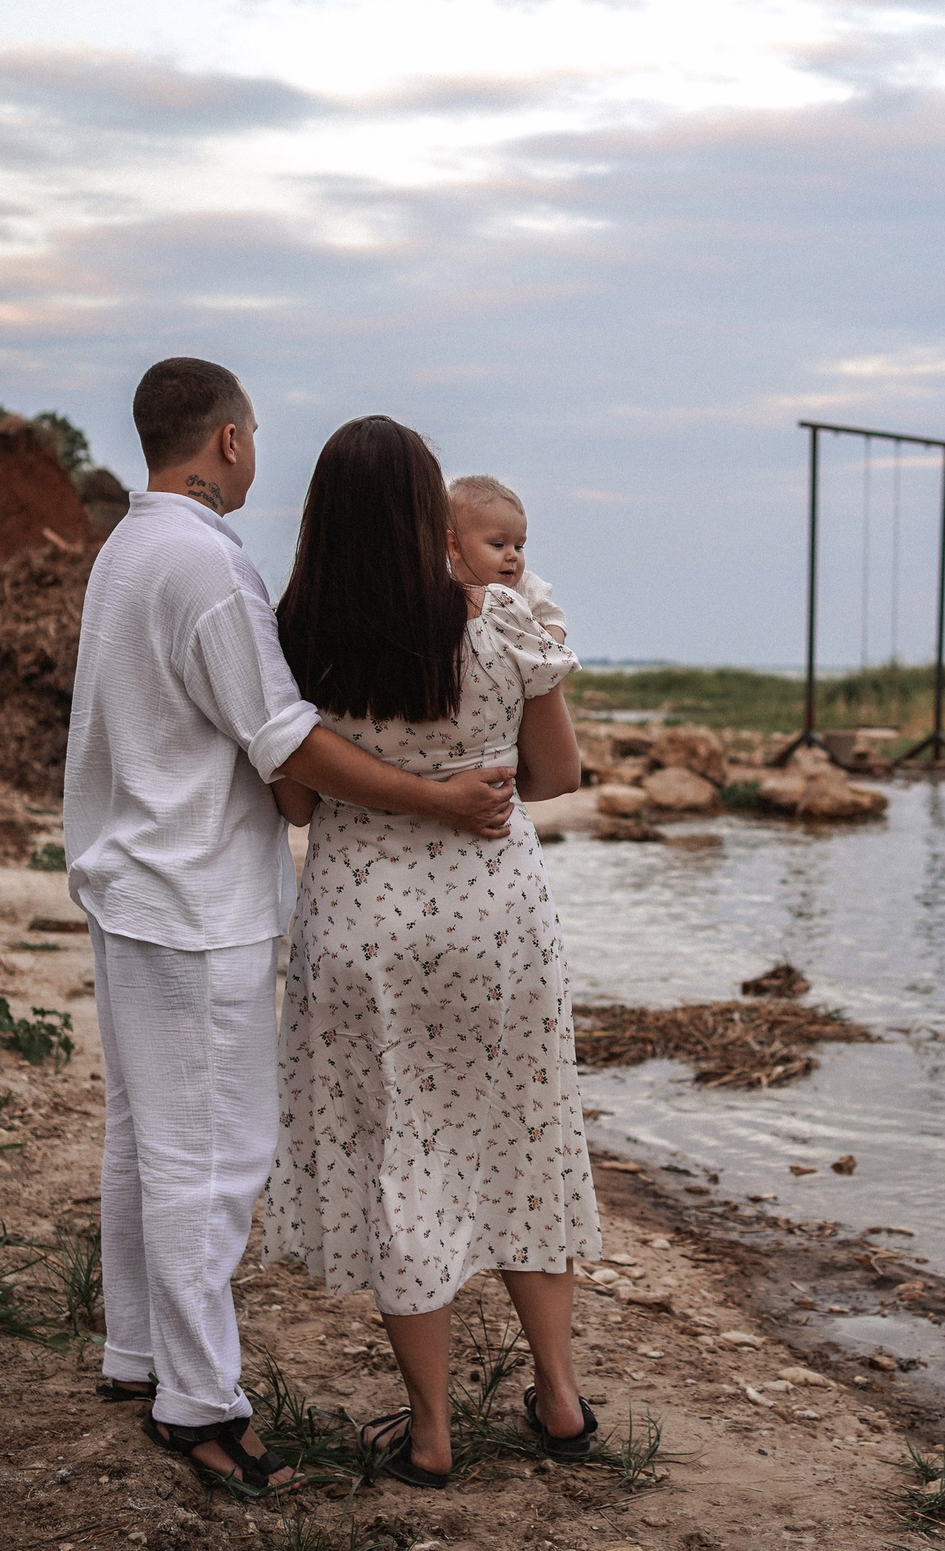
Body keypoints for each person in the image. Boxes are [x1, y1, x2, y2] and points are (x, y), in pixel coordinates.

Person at [64, 359, 521, 1498]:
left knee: (145, 1138)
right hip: (193, 899)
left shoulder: (128, 550)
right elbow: (286, 747)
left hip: (131, 883)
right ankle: (200, 1404)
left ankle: (139, 1355)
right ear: (225, 441)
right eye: (253, 431)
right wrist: (439, 798)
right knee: (212, 1160)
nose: (256, 449)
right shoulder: (209, 567)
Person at [264, 417, 599, 1490]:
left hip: (364, 925)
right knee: (523, 1134)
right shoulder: (502, 622)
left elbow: (295, 795)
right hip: (495, 919)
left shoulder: (296, 635)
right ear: (429, 514)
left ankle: (430, 1434)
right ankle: (557, 1400)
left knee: (404, 1158)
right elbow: (555, 778)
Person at [447, 473, 567, 644]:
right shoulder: (444, 588)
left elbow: (555, 619)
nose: (512, 555)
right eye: (498, 545)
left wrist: (550, 638)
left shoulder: (526, 587)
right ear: (454, 546)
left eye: (519, 546)